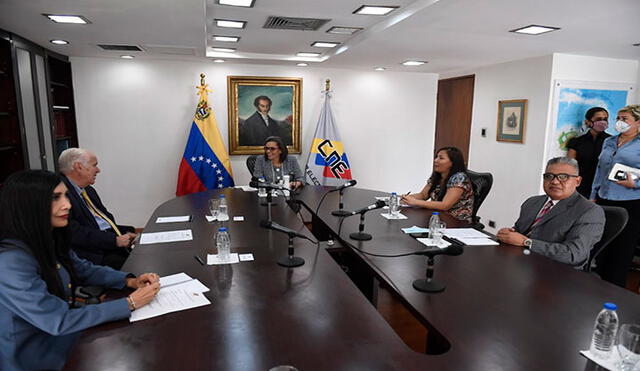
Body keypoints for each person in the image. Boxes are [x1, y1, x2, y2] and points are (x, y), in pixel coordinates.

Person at [0, 170, 160, 370]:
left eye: (66, 195)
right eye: (55, 198)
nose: (67, 204)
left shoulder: (46, 238)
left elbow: (82, 268)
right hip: (36, 357)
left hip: (67, 337)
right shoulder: (10, 262)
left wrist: (129, 281)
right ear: (28, 207)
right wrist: (130, 303)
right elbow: (58, 320)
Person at [497, 157, 604, 269]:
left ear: (577, 181)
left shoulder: (590, 211)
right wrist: (508, 234)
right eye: (549, 176)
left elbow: (573, 254)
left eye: (563, 177)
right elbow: (519, 232)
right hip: (524, 263)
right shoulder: (532, 202)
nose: (555, 181)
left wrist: (527, 242)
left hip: (558, 272)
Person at [58, 148, 136, 269]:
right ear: (79, 167)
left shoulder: (88, 190)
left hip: (106, 243)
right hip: (93, 254)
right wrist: (114, 240)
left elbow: (103, 222)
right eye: (94, 165)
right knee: (138, 267)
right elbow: (74, 232)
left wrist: (125, 233)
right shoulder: (61, 193)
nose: (98, 170)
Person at [590, 104, 640, 287]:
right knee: (598, 247)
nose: (619, 122)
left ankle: (614, 292)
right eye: (618, 118)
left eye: (625, 119)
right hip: (604, 199)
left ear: (638, 122)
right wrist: (593, 194)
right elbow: (600, 170)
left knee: (621, 252)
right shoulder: (609, 141)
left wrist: (636, 183)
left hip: (631, 202)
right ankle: (594, 288)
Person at [401, 146, 474, 222]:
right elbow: (423, 195)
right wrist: (407, 198)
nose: (435, 160)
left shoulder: (459, 178)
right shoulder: (437, 175)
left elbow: (445, 205)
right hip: (437, 217)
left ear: (452, 163)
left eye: (441, 158)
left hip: (456, 222)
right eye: (436, 157)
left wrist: (415, 202)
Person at [566, 107, 611, 198]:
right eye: (598, 119)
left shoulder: (613, 141)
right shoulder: (576, 142)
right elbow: (570, 166)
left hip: (604, 188)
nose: (602, 122)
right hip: (581, 187)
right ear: (587, 122)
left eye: (605, 119)